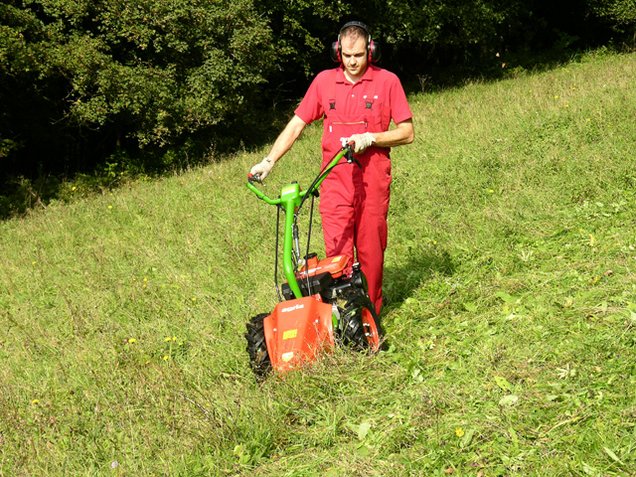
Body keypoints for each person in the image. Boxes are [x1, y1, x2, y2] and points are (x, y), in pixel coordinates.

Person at [250, 21, 414, 316]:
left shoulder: (387, 82)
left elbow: (407, 132)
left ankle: (371, 313)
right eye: (347, 55)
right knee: (338, 252)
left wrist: (373, 137)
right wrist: (269, 160)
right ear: (338, 51)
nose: (352, 62)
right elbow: (297, 124)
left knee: (371, 250)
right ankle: (345, 313)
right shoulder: (324, 82)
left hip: (373, 180)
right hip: (334, 182)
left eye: (359, 55)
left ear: (371, 51)